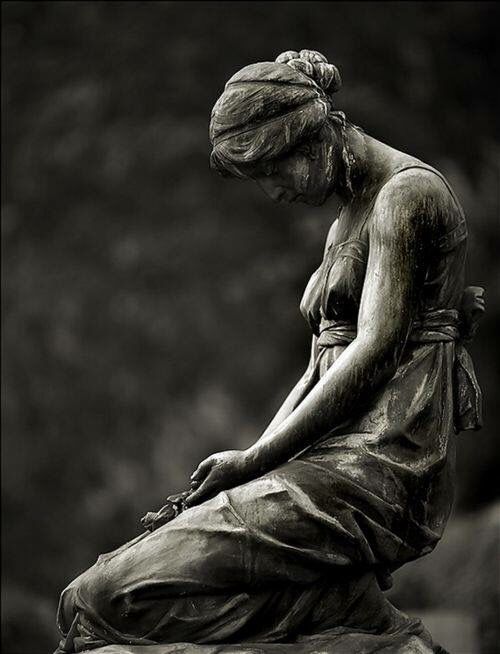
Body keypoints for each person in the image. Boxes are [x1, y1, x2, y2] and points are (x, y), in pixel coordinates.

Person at [55, 50, 484, 654]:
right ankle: (339, 608)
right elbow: (319, 370)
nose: (273, 193)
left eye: (273, 171)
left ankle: (350, 614)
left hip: (381, 469)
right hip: (328, 459)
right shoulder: (346, 222)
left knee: (110, 598)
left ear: (313, 139)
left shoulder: (407, 197)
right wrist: (250, 461)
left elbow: (371, 357)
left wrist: (257, 458)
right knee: (88, 597)